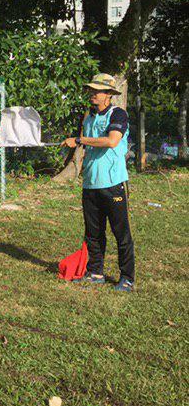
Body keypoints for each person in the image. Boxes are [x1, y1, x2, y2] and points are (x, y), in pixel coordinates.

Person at [61, 73, 135, 292]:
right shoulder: (89, 118)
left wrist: (79, 140)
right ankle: (95, 273)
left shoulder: (118, 114)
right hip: (90, 184)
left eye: (97, 90)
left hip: (113, 184)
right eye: (91, 90)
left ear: (109, 94)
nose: (92, 93)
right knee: (93, 233)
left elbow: (112, 141)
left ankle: (127, 277)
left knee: (121, 233)